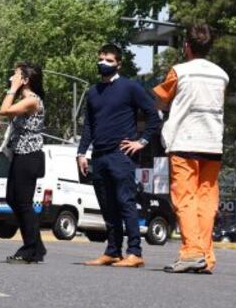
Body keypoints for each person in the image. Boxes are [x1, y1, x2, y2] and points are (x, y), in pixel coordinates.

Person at [77, 44, 162, 268]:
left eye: (109, 60)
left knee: (125, 202)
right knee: (107, 205)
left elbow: (153, 115)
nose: (103, 63)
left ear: (119, 64)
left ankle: (135, 252)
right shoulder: (93, 91)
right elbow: (89, 126)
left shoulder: (130, 87)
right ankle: (113, 251)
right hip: (99, 156)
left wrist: (141, 142)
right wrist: (81, 153)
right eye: (101, 59)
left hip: (121, 155)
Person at [153, 25, 228, 274]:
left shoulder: (179, 71)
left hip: (186, 142)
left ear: (187, 46)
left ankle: (191, 253)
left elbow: (162, 98)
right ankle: (206, 256)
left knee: (185, 199)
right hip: (213, 143)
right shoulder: (221, 75)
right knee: (206, 202)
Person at [0, 63, 47, 264]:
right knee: (12, 198)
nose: (12, 77)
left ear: (25, 80)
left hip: (29, 156)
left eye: (16, 75)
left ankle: (29, 249)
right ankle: (37, 245)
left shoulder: (32, 100)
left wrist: (12, 89)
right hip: (19, 154)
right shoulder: (25, 100)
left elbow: (4, 110)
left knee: (23, 203)